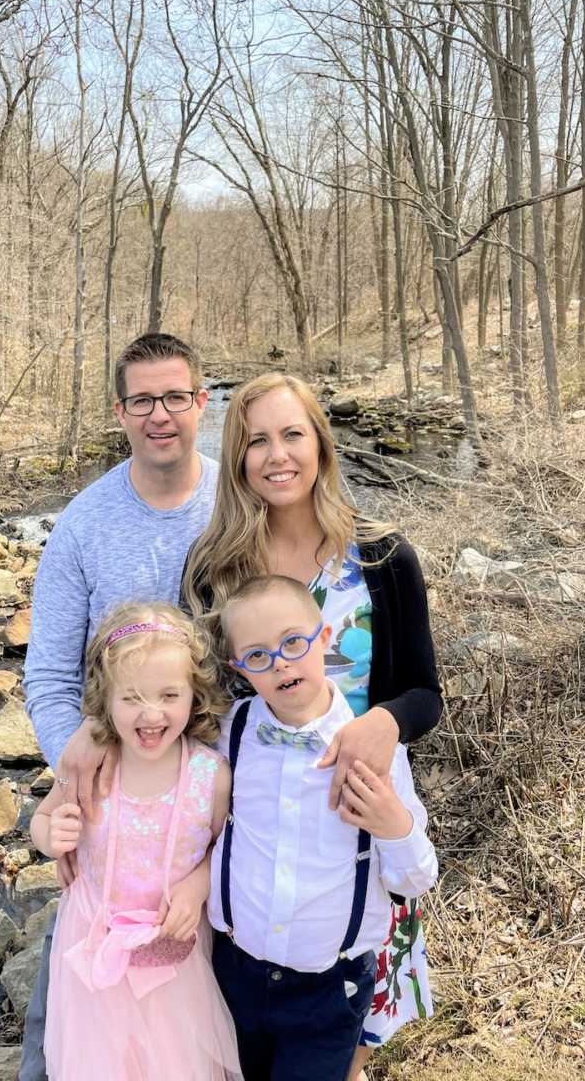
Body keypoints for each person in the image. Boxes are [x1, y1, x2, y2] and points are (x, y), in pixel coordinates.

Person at [181, 372, 442, 1074]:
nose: (277, 455)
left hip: (359, 809)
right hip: (263, 833)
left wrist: (385, 723)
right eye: (256, 441)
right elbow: (199, 700)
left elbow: (423, 690)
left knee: (348, 1038)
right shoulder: (216, 567)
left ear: (321, 443)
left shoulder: (382, 555)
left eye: (292, 433)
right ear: (237, 460)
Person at [21, 332, 218, 1081]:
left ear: (202, 403)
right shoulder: (83, 523)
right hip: (115, 810)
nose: (159, 414)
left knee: (198, 1021)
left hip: (214, 804)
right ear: (121, 411)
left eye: (176, 397)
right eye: (143, 400)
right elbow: (46, 673)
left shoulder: (240, 507)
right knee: (70, 1024)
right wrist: (77, 770)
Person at [208, 575, 438, 1081]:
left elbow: (414, 880)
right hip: (233, 971)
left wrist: (391, 825)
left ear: (326, 637)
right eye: (258, 655)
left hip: (330, 988)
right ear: (239, 668)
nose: (281, 663)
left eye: (294, 642)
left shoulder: (376, 750)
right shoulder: (231, 732)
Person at [31, 602, 241, 1081]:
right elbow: (42, 822)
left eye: (169, 694)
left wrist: (200, 884)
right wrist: (51, 836)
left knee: (174, 1064)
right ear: (105, 700)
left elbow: (224, 849)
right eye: (131, 699)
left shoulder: (210, 776)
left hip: (173, 961)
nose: (151, 714)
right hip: (92, 953)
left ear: (195, 694)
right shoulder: (90, 769)